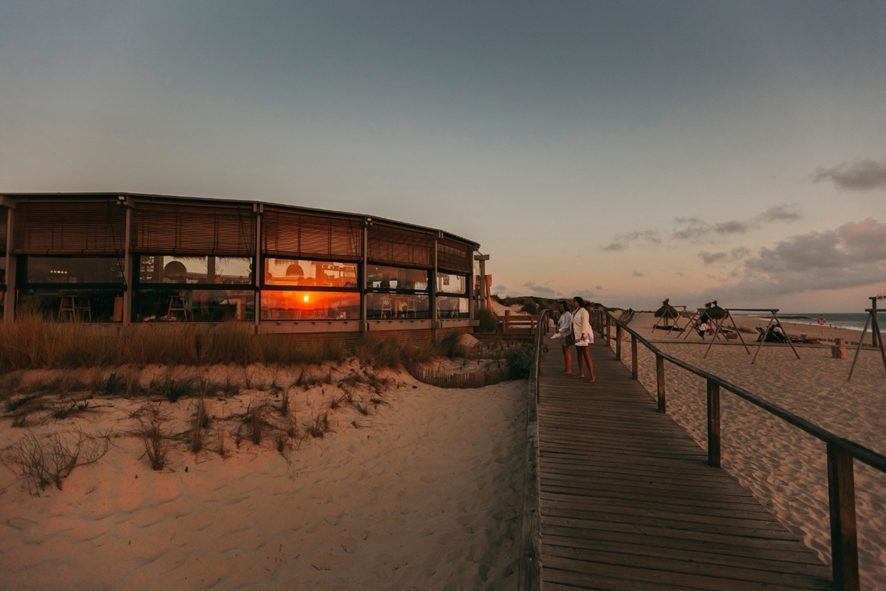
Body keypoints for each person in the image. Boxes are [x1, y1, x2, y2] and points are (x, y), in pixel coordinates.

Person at [570, 296, 596, 383]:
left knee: (586, 354)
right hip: (577, 335)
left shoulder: (583, 311)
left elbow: (585, 323)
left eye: (574, 301)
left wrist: (583, 334)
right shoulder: (574, 311)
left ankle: (592, 375)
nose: (572, 303)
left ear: (578, 302)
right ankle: (581, 373)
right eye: (572, 301)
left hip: (584, 335)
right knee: (579, 354)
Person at [556, 301, 573, 374]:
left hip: (566, 334)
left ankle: (569, 369)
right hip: (562, 334)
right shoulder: (562, 314)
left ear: (565, 306)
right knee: (564, 351)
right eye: (560, 306)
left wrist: (559, 330)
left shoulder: (568, 314)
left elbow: (567, 326)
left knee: (567, 351)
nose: (560, 308)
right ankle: (566, 367)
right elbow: (560, 323)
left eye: (562, 306)